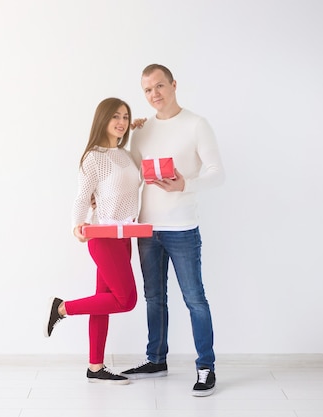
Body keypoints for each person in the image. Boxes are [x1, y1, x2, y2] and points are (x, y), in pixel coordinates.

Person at [120, 64, 225, 397]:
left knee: (195, 299)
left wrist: (185, 184)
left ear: (174, 84)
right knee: (154, 298)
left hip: (182, 228)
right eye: (148, 90)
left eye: (160, 86)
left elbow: (217, 174)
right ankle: (156, 360)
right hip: (147, 228)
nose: (155, 94)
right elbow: (128, 172)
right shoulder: (142, 130)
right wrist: (125, 133)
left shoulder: (197, 124)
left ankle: (205, 366)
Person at [44, 97, 141, 385]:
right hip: (103, 237)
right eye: (115, 117)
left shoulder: (126, 154)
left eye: (125, 116)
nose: (121, 122)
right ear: (103, 120)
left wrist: (139, 128)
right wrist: (77, 224)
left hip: (125, 237)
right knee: (127, 300)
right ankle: (62, 308)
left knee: (104, 301)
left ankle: (95, 368)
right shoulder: (94, 156)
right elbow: (81, 195)